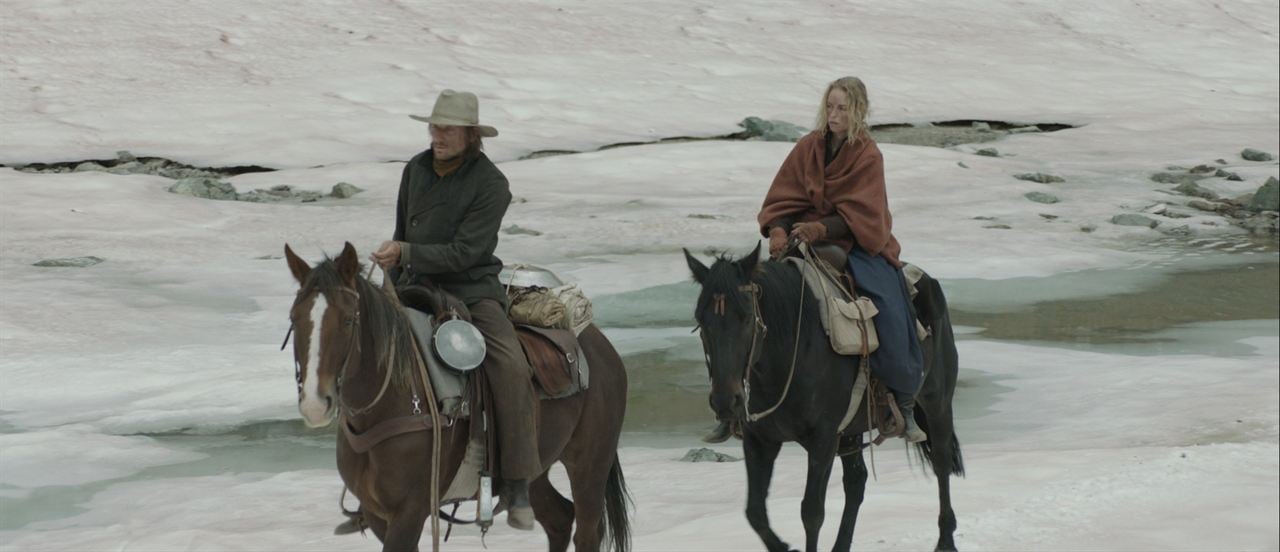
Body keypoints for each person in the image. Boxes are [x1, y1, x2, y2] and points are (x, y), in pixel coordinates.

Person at [705, 77, 927, 444]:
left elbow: (867, 213)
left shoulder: (868, 155)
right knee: (752, 309)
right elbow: (782, 197)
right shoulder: (808, 147)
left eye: (842, 108)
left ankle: (900, 400)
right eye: (830, 107)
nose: (834, 114)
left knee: (888, 305)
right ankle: (735, 409)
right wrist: (778, 228)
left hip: (856, 245)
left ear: (857, 111)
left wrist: (822, 229)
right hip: (798, 239)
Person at [370, 89, 539, 530]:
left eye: (447, 128)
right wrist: (391, 280)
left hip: (471, 289)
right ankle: (368, 477)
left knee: (510, 367)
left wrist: (406, 252)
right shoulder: (415, 169)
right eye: (434, 126)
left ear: (470, 135)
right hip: (414, 284)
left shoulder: (491, 184)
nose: (437, 135)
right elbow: (401, 229)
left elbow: (466, 252)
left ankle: (518, 480)